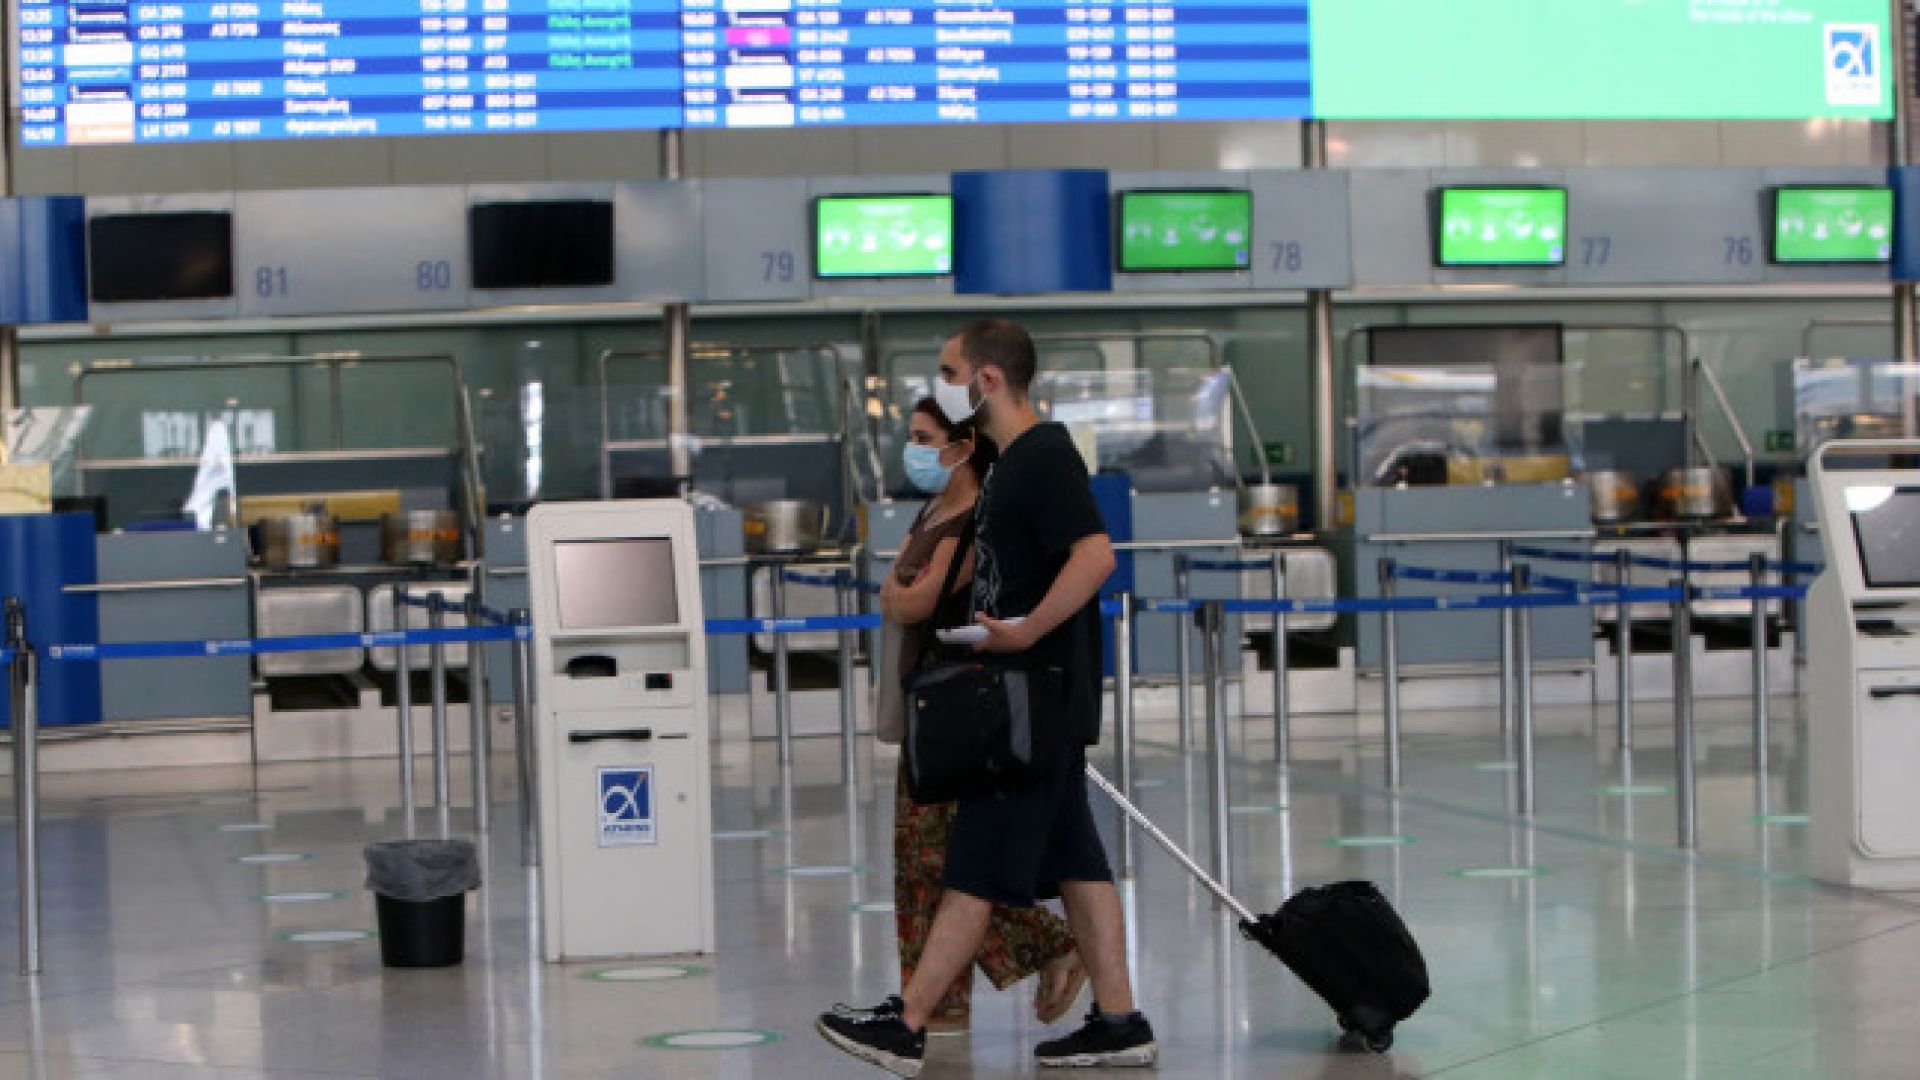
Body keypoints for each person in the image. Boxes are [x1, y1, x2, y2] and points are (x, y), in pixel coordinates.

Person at [818, 320, 1156, 1076]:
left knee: (973, 863)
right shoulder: (1008, 465)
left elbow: (1096, 556)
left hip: (1031, 699)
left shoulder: (1043, 454)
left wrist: (1026, 628)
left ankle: (907, 1022)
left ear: (988, 380)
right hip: (1031, 698)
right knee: (1079, 864)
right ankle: (1120, 1019)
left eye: (948, 372)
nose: (941, 385)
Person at [877, 399, 1088, 1037]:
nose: (914, 450)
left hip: (961, 708)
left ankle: (1048, 945)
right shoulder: (930, 514)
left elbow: (912, 600)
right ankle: (937, 1002)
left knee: (942, 859)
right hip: (922, 704)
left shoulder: (977, 519)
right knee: (915, 862)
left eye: (925, 438)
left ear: (963, 446)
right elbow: (895, 592)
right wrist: (900, 591)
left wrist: (901, 590)